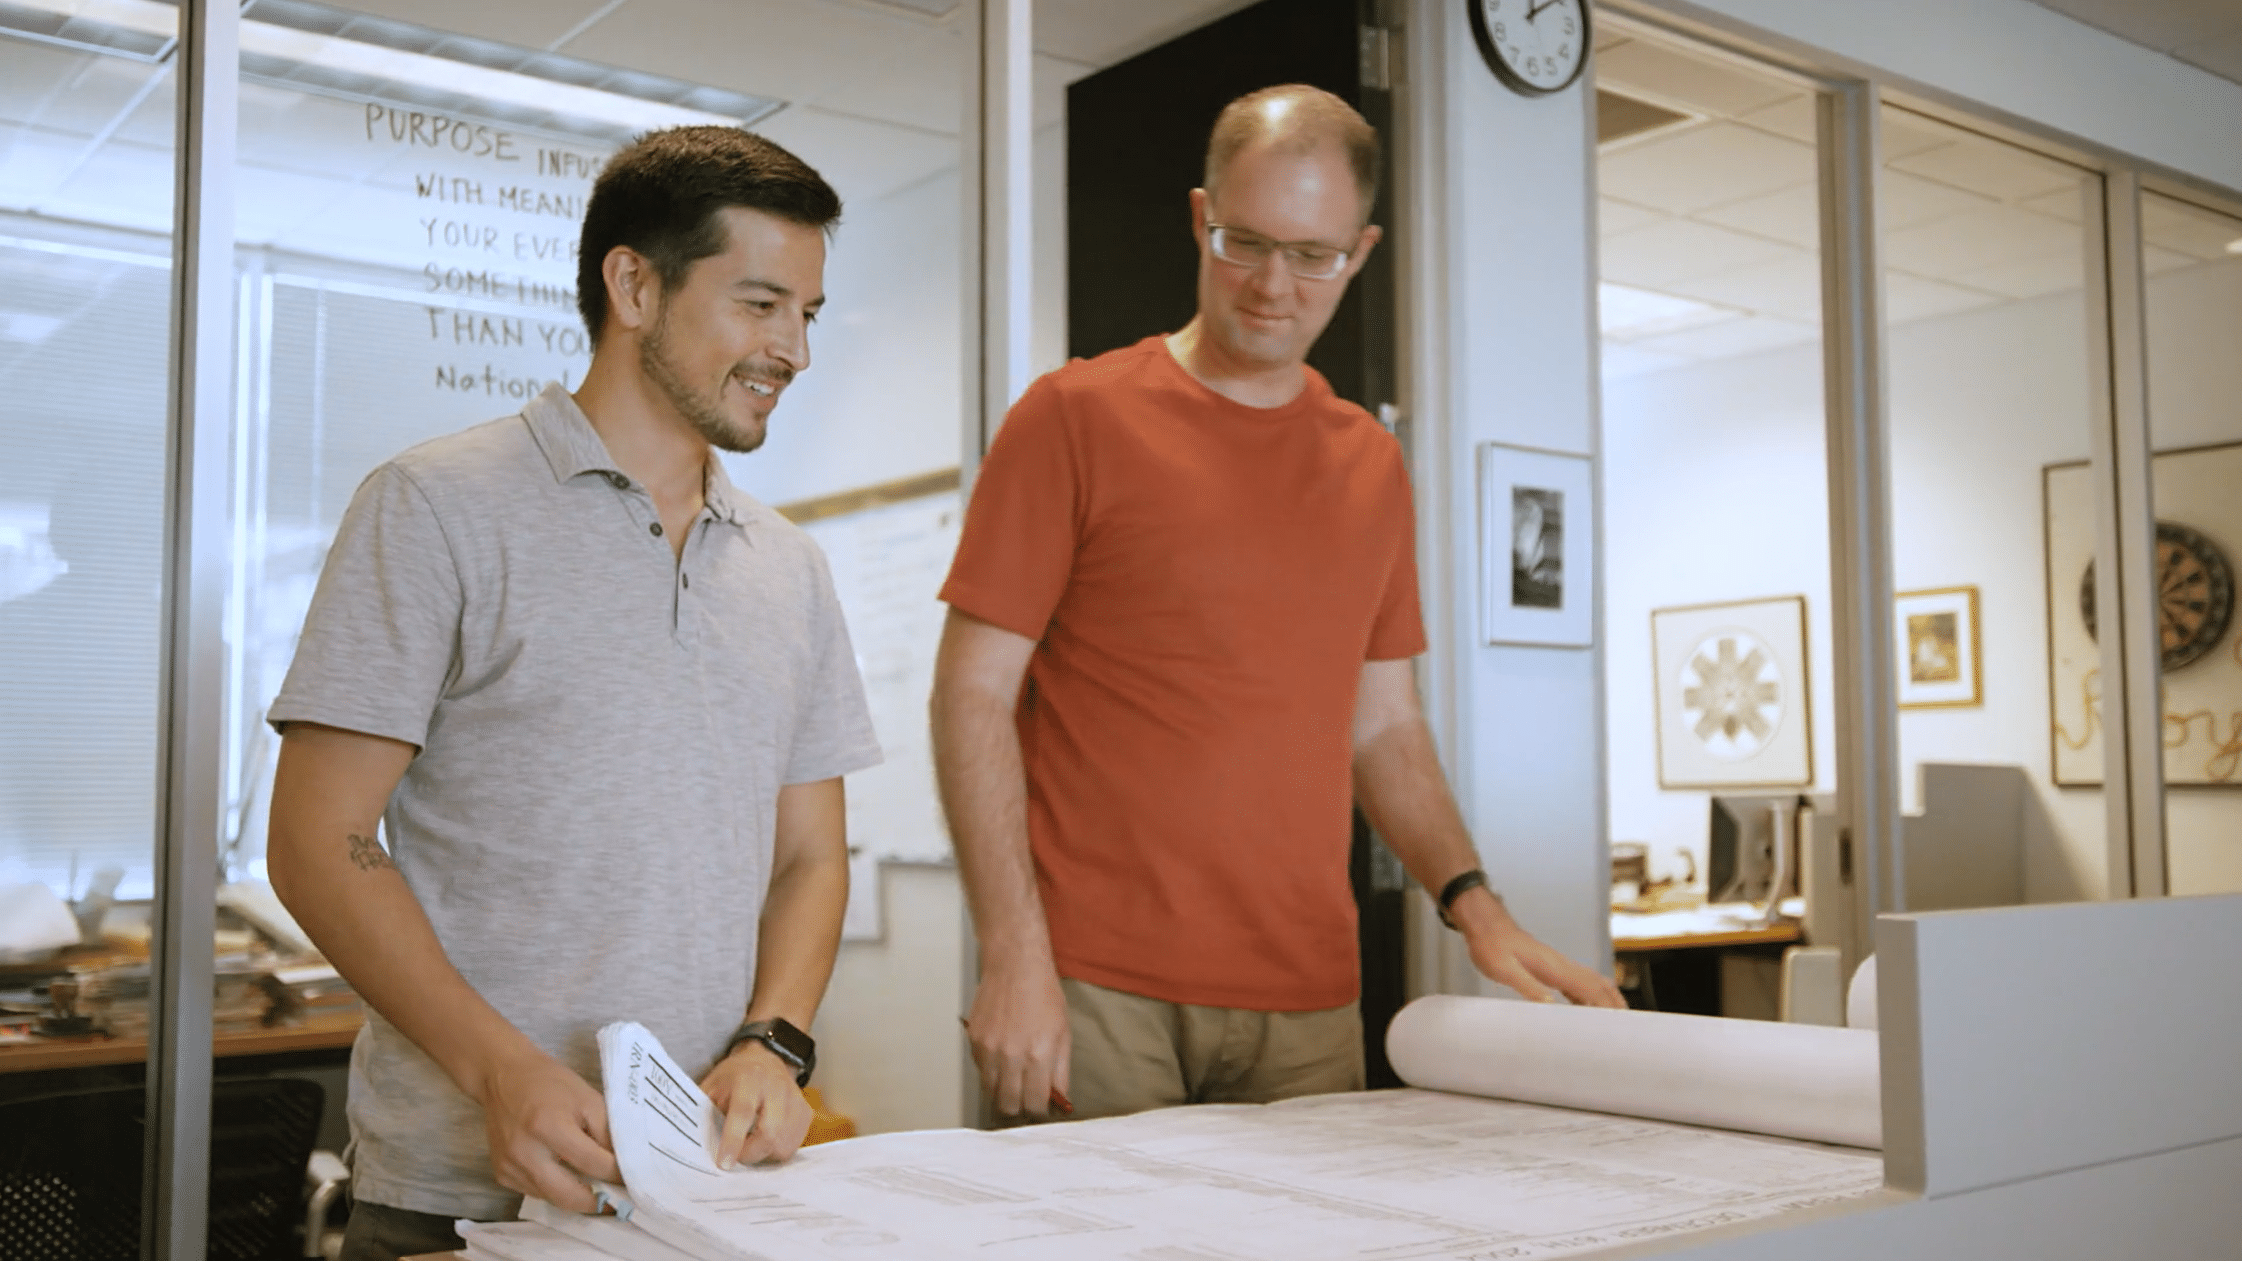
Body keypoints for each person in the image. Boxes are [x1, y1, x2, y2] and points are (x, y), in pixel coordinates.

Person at [931, 85, 1625, 1124]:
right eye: (1243, 241)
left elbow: (1384, 724)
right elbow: (970, 697)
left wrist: (1475, 906)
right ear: (1199, 216)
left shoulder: (1369, 463)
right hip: (1095, 991)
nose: (1270, 285)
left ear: (1362, 249)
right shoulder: (1072, 417)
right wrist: (1013, 956)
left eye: (1312, 254)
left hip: (1307, 1006)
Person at [266, 126, 880, 1261]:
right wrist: (499, 1070)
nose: (792, 346)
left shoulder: (788, 566)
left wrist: (774, 1041)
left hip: (701, 1187)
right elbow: (318, 839)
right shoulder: (435, 506)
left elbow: (810, 856)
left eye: (808, 312)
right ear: (633, 284)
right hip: (455, 1187)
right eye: (758, 303)